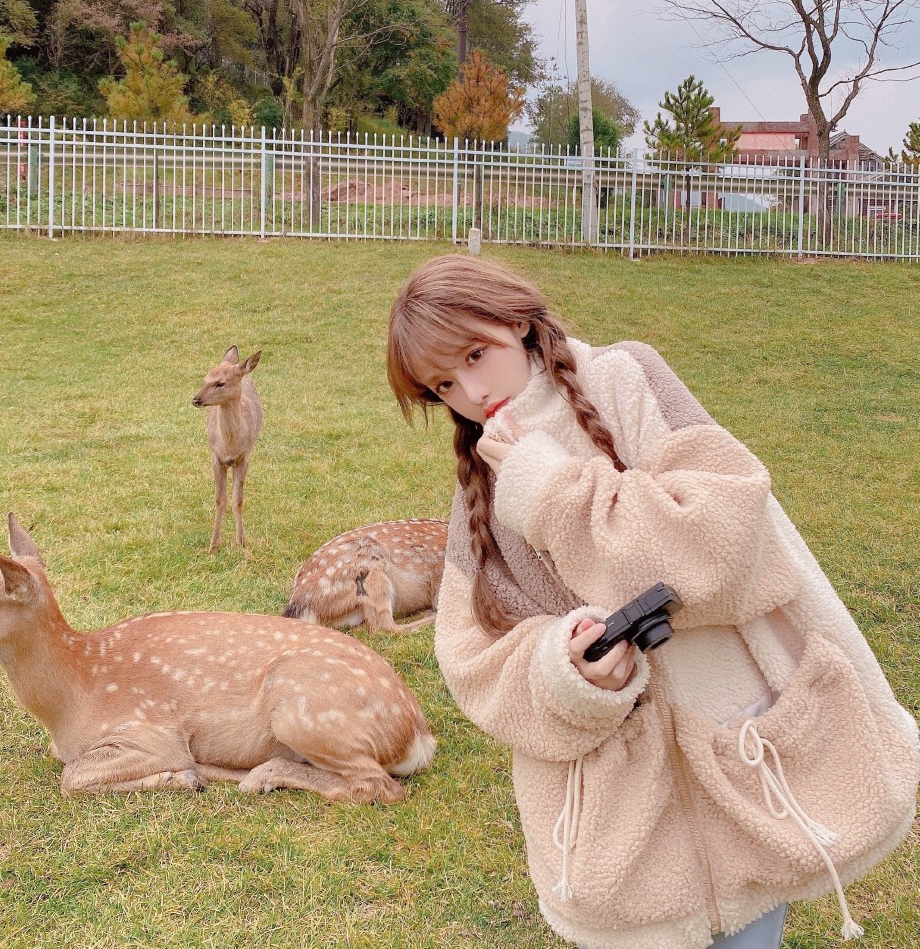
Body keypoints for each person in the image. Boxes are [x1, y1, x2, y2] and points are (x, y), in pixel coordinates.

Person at [386, 254, 919, 949]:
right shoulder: (480, 487)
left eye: (474, 354)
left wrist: (550, 492)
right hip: (620, 803)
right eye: (442, 384)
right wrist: (565, 668)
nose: (469, 390)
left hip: (738, 738)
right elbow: (469, 656)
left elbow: (724, 542)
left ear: (515, 320)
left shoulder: (624, 378)